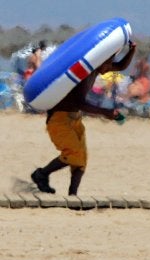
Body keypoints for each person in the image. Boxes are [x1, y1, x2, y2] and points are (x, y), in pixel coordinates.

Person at [30, 41, 137, 196]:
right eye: (108, 63)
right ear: (100, 60)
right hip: (59, 120)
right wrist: (104, 112)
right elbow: (79, 102)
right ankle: (42, 174)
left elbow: (120, 66)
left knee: (81, 159)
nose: (109, 67)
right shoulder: (83, 74)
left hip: (75, 119)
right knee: (74, 153)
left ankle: (73, 195)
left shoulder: (99, 67)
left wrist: (132, 50)